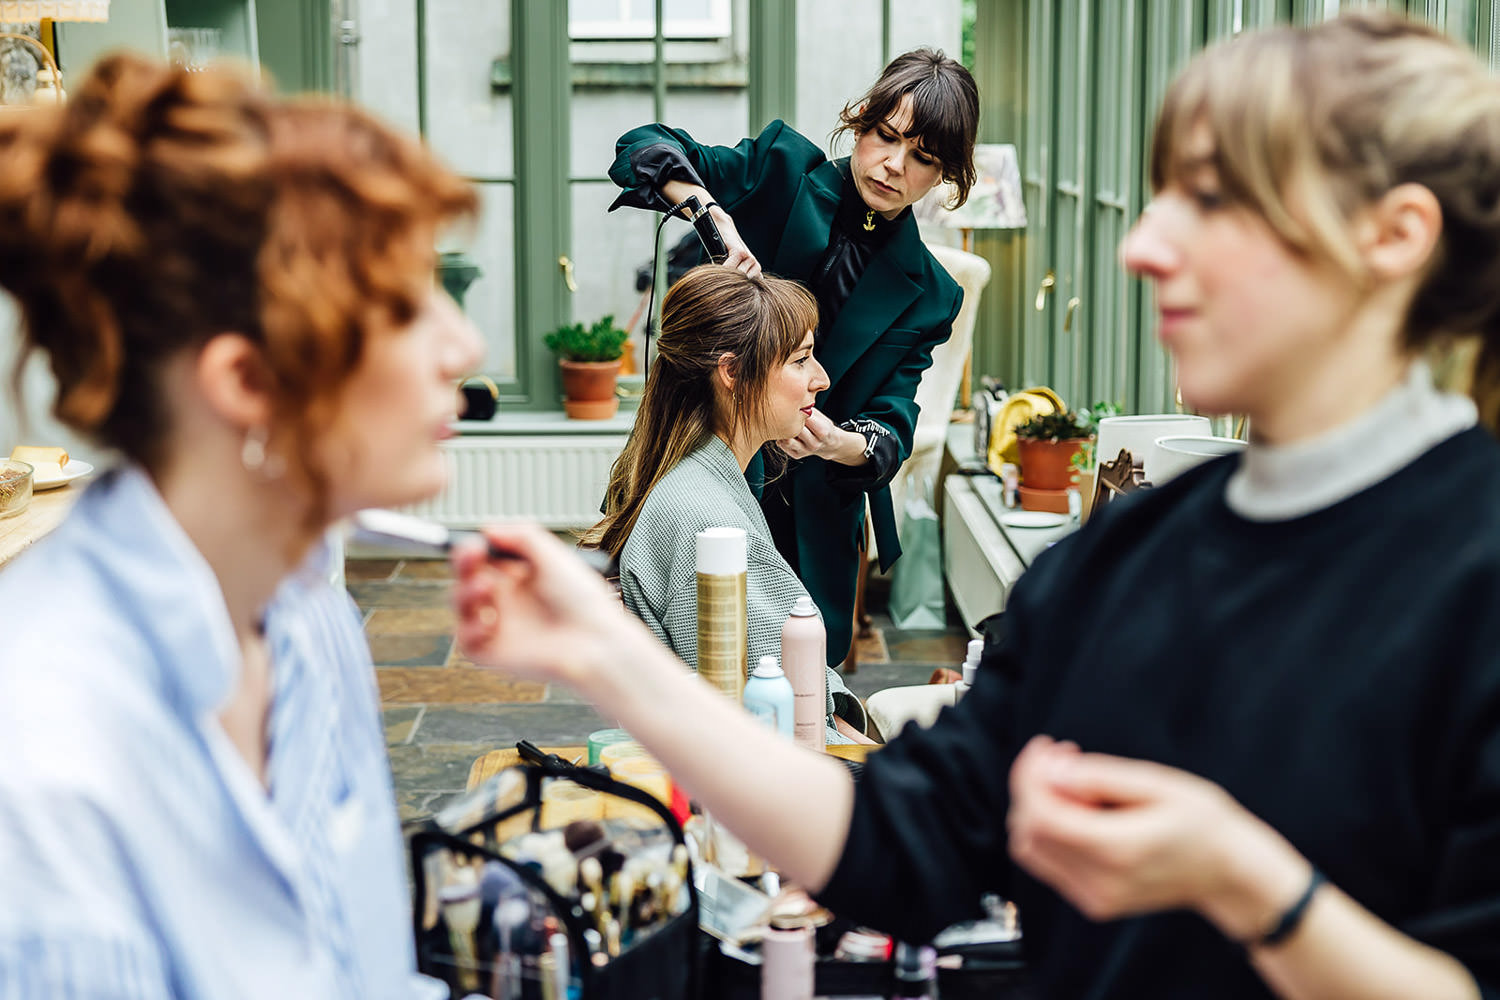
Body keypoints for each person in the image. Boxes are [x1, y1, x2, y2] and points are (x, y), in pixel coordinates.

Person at [455, 13, 1500, 998]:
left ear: (1395, 236)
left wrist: (1248, 885)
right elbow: (898, 841)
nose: (1142, 247)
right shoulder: (1110, 561)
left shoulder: (1476, 583)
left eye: (1215, 200)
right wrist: (604, 653)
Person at [0, 55, 480, 997]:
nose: (462, 345)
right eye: (402, 306)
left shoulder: (305, 614)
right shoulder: (41, 776)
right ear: (248, 382)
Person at [608, 48, 979, 667]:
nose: (893, 165)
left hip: (812, 505)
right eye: (886, 136)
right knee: (671, 657)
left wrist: (840, 443)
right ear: (861, 121)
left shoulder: (933, 297)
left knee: (800, 678)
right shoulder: (778, 171)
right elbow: (641, 146)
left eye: (923, 158)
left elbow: (894, 426)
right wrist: (709, 211)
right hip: (702, 465)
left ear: (945, 178)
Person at [584, 264, 869, 744]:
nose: (820, 378)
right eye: (800, 360)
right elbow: (770, 731)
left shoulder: (702, 482)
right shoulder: (706, 520)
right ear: (732, 372)